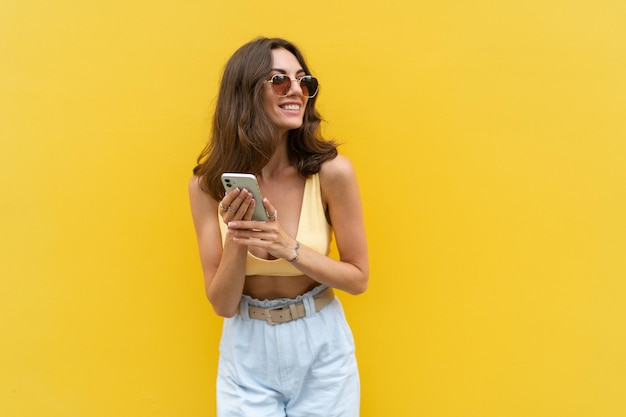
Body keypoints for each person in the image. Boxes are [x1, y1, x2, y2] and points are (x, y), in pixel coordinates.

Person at [188, 37, 369, 417]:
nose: (296, 91)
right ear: (246, 92)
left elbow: (357, 279)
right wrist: (239, 234)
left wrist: (290, 247)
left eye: (304, 81)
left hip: (320, 344)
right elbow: (222, 304)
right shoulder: (206, 184)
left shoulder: (332, 173)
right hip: (247, 347)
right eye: (279, 80)